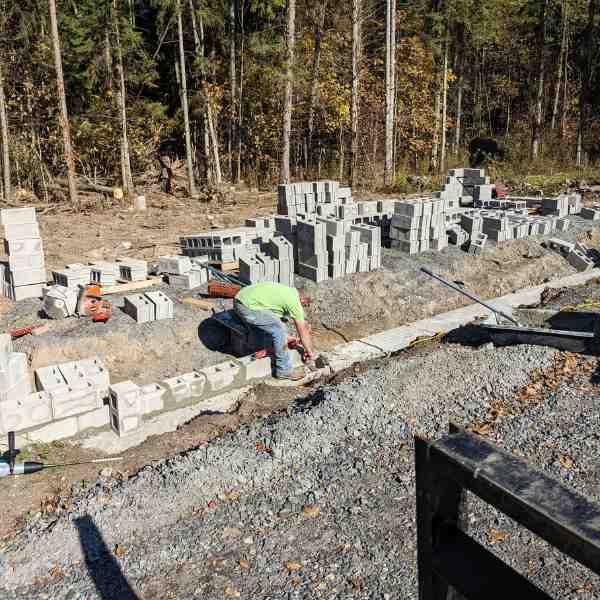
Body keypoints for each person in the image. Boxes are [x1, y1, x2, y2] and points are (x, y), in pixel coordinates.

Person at [234, 282, 314, 381]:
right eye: (305, 305)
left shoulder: (287, 291)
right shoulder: (294, 302)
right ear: (302, 299)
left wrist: (287, 338)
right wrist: (309, 351)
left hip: (240, 300)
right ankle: (284, 370)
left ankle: (258, 351)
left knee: (273, 328)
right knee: (279, 330)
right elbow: (303, 331)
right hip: (248, 307)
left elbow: (271, 322)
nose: (303, 307)